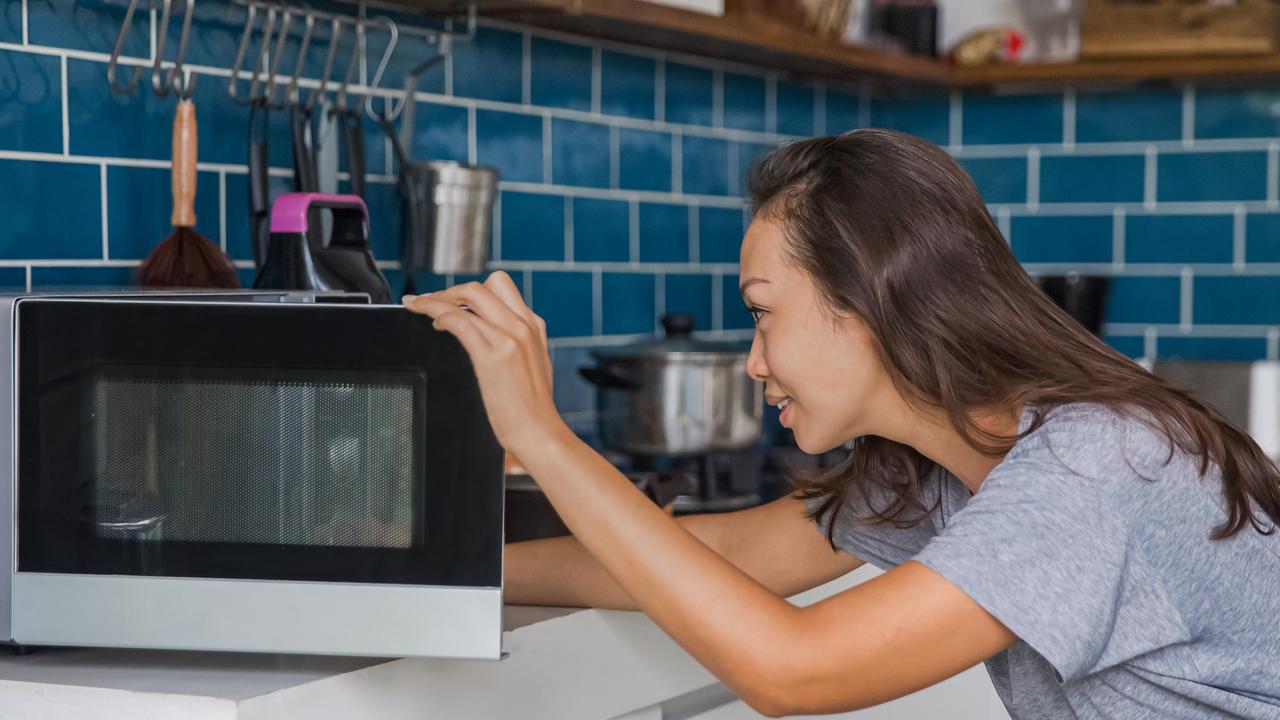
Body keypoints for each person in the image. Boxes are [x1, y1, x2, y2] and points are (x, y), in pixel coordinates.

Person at [402, 130, 1280, 719]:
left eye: (760, 311)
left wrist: (548, 438)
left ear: (865, 302)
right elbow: (733, 557)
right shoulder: (947, 464)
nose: (754, 361)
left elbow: (796, 669)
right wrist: (444, 574)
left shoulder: (1094, 465)